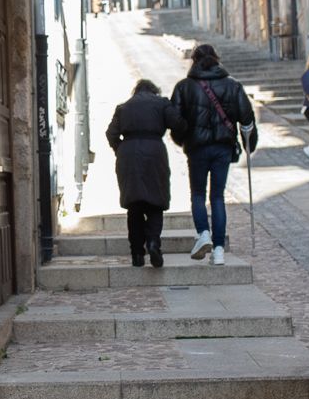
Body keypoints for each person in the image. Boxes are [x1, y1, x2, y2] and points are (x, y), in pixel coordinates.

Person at [171, 43, 255, 266]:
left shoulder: (184, 87)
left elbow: (175, 121)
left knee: (198, 193)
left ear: (194, 60)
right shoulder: (232, 86)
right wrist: (249, 145)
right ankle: (218, 250)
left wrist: (183, 140)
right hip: (223, 148)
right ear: (216, 59)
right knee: (217, 196)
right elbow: (247, 118)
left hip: (197, 148)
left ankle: (203, 234)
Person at [105, 79, 179, 267]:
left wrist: (120, 149)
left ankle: (137, 254)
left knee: (134, 206)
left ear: (135, 91)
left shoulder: (123, 107)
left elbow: (111, 133)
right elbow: (177, 123)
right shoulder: (161, 103)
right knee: (156, 202)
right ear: (154, 91)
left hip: (128, 154)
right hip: (154, 152)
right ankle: (153, 242)